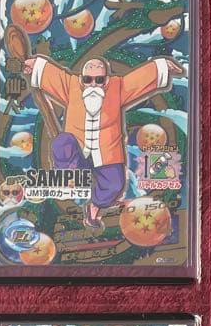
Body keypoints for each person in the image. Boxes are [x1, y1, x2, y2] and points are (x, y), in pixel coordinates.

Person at [23, 53, 184, 227]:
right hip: (78, 153)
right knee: (62, 142)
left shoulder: (117, 87)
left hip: (107, 154)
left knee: (115, 185)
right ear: (81, 79)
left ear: (106, 80)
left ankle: (95, 206)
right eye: (88, 80)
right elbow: (52, 75)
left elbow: (139, 80)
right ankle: (68, 177)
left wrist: (163, 66)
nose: (93, 84)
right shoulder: (71, 85)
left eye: (98, 80)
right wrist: (35, 65)